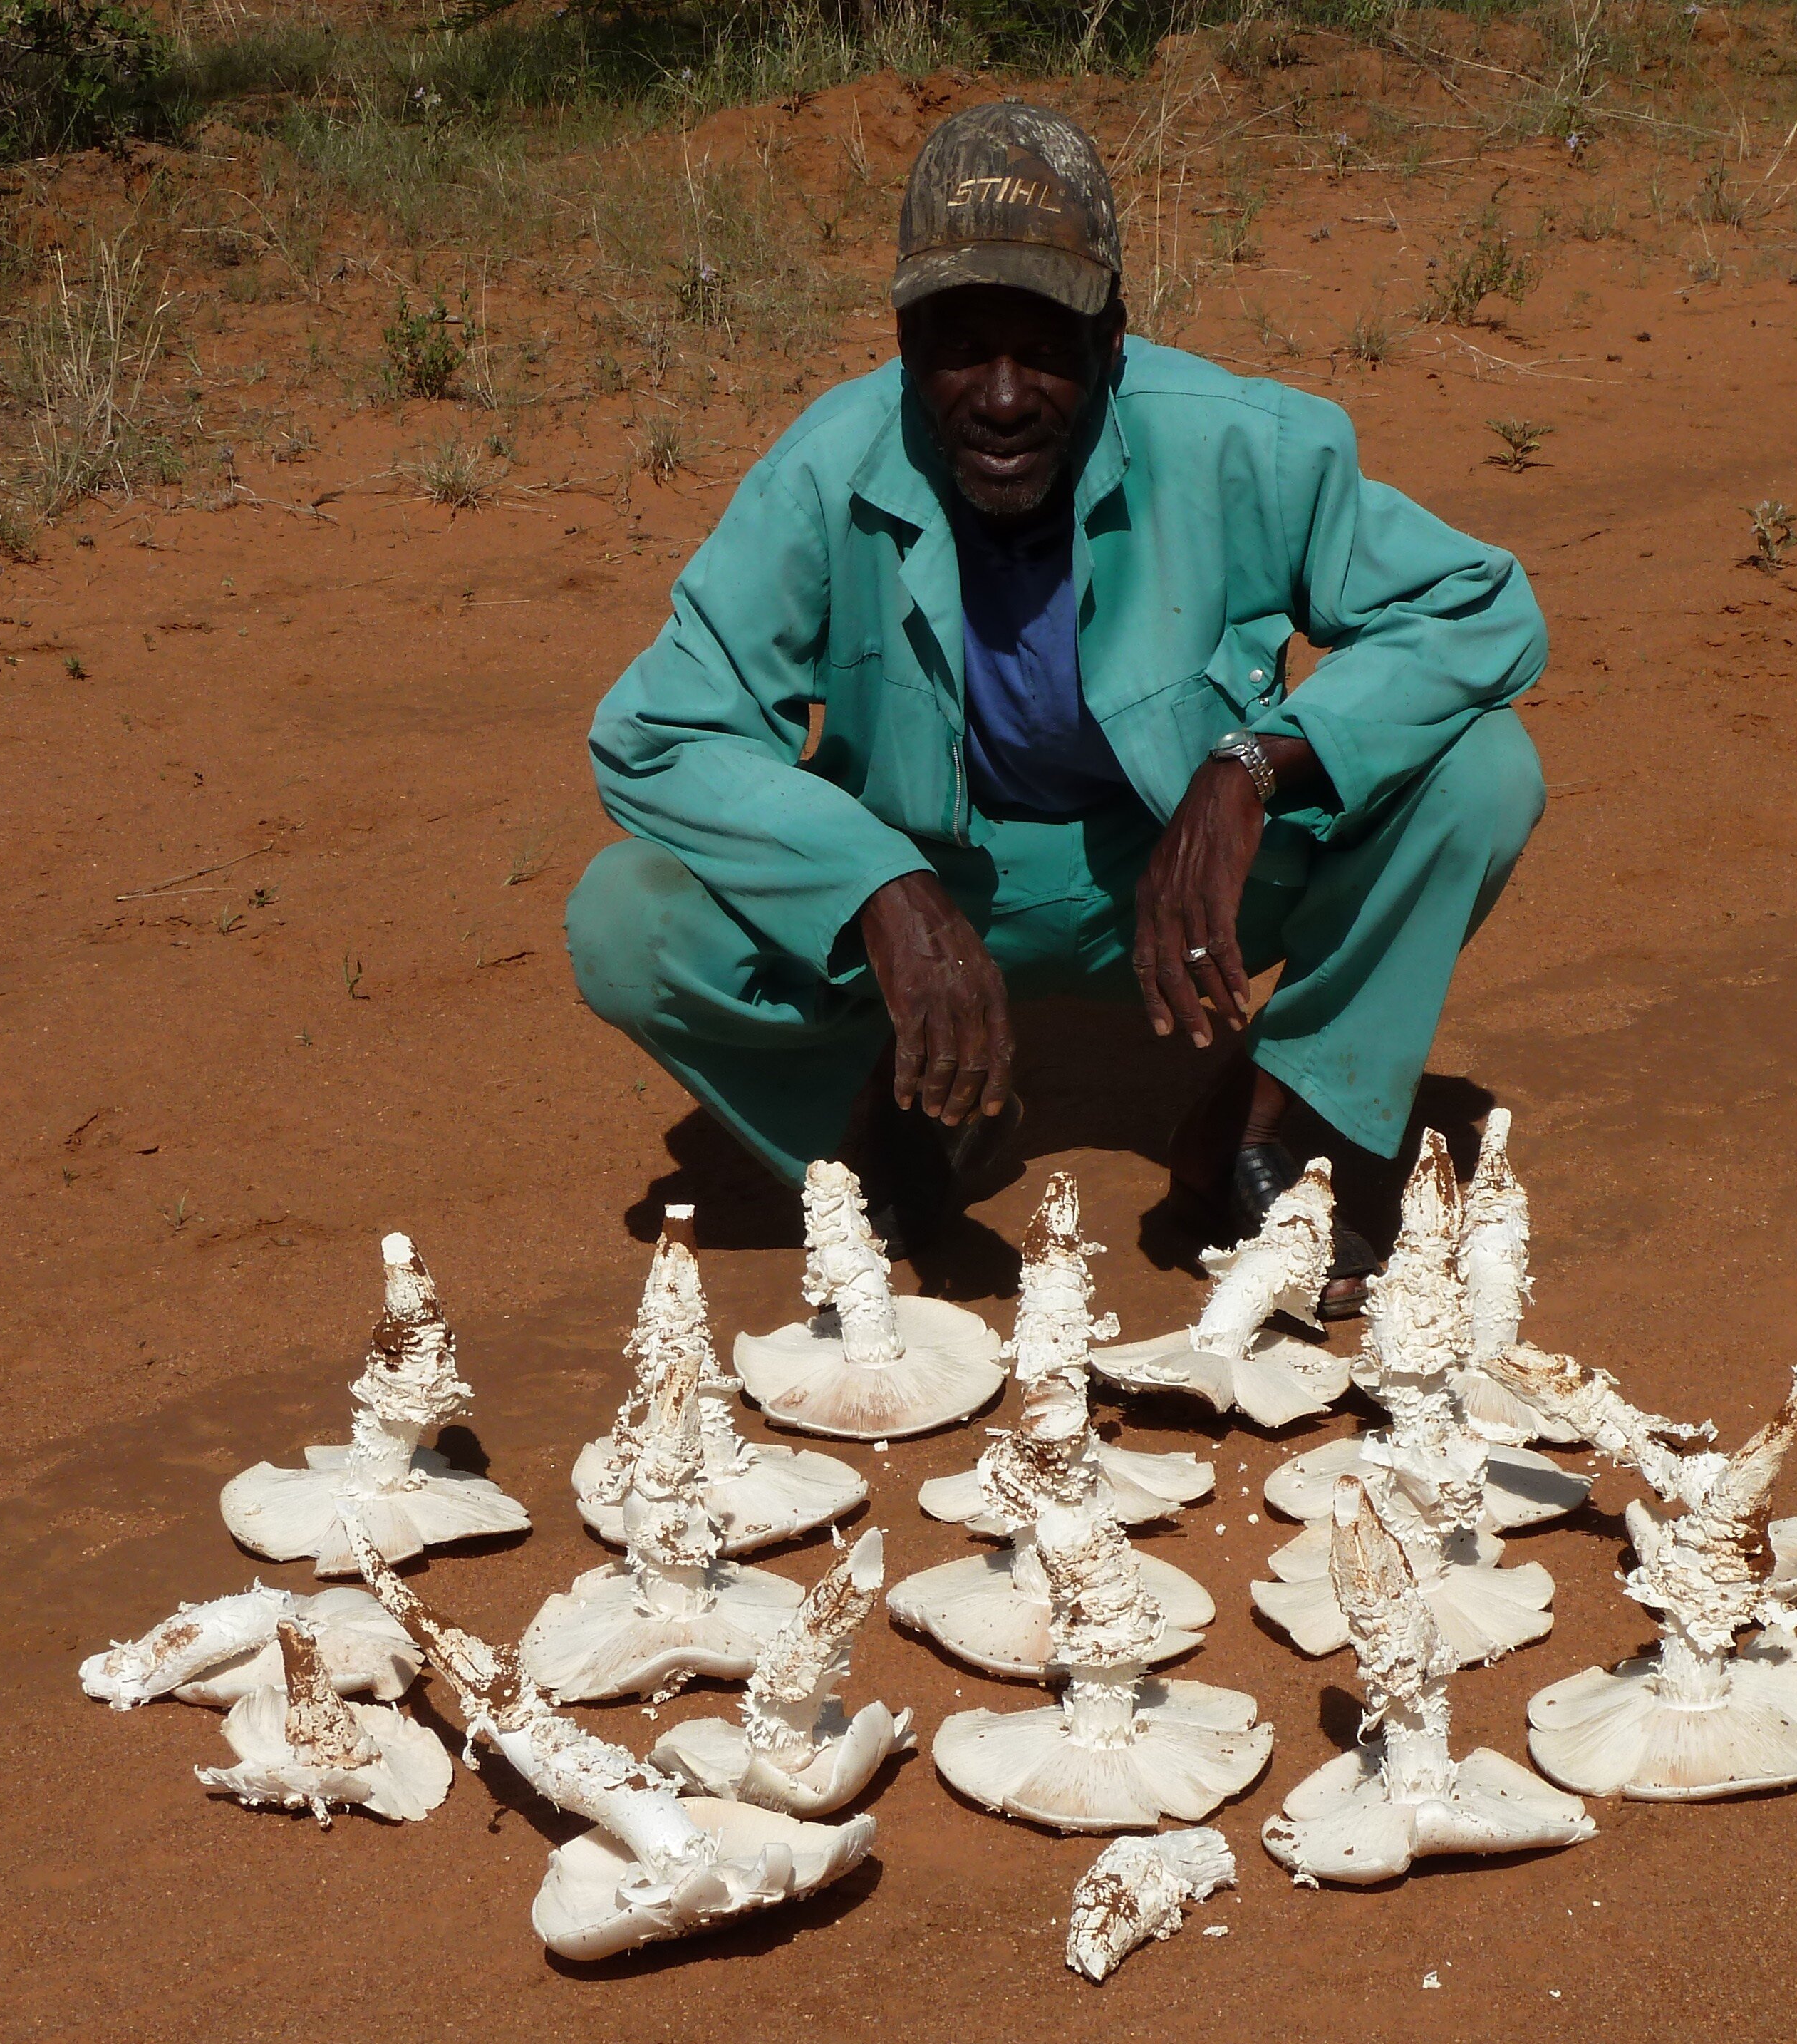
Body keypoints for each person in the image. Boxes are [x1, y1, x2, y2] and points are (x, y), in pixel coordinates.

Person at [569, 100, 1547, 1311]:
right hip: (939, 887)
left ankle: (1263, 1129)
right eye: (957, 346)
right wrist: (875, 883)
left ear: (1112, 341)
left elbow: (1482, 607)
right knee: (627, 921)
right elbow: (657, 730)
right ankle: (888, 1130)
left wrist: (1252, 764)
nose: (1001, 395)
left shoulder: (1238, 443)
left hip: (1191, 885)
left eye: (1043, 348)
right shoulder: (827, 471)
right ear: (903, 338)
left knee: (1484, 773)